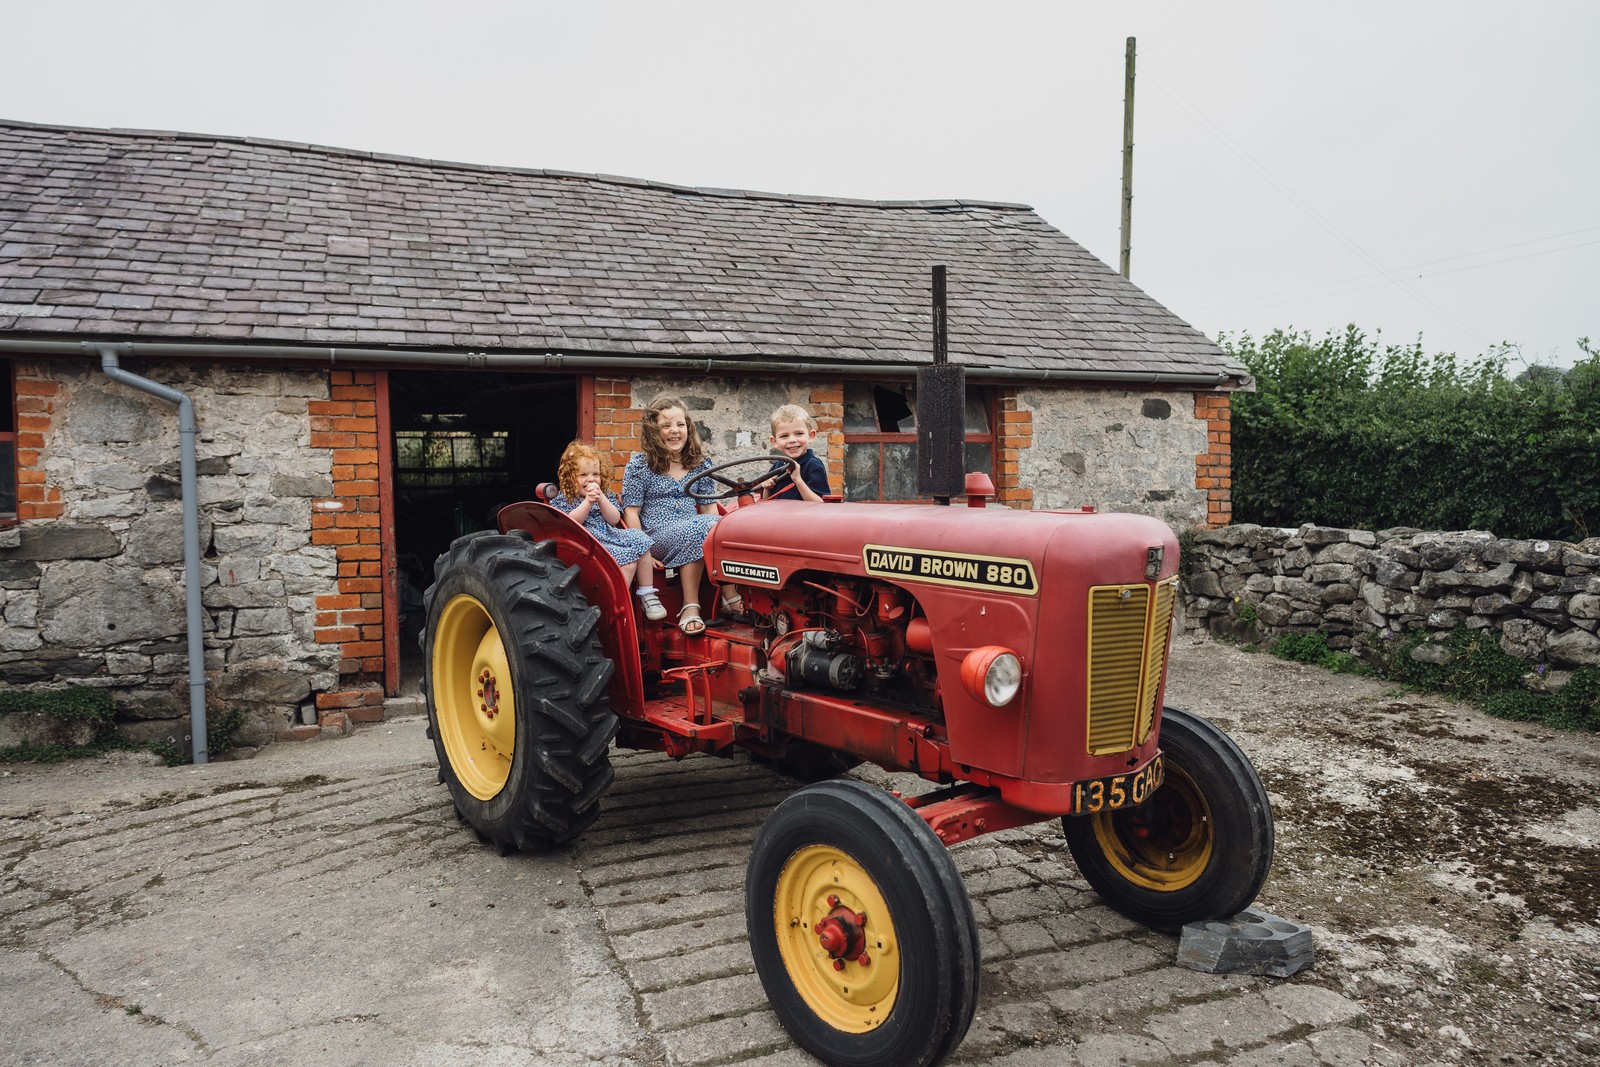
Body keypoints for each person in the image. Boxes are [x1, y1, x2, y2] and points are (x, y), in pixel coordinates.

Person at [621, 396, 727, 634]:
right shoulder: (640, 466)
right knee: (700, 529)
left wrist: (719, 524)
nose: (674, 431)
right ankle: (690, 608)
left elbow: (709, 508)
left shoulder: (700, 463)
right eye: (666, 426)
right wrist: (643, 550)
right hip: (655, 537)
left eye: (680, 425)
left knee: (723, 527)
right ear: (653, 431)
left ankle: (730, 593)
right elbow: (631, 512)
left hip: (695, 526)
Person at [549, 441, 667, 621]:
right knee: (628, 562)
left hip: (609, 534)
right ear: (570, 477)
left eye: (595, 474)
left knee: (639, 538)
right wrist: (588, 502)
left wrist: (601, 498)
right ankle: (618, 603)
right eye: (583, 474)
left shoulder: (606, 494)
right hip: (587, 539)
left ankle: (647, 593)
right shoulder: (565, 498)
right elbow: (573, 523)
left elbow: (613, 519)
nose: (591, 479)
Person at [760, 403, 832, 502]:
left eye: (799, 434)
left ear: (811, 436)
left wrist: (798, 480)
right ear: (774, 441)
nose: (792, 440)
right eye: (784, 436)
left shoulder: (813, 465)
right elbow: (766, 504)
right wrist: (767, 488)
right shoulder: (777, 466)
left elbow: (820, 504)